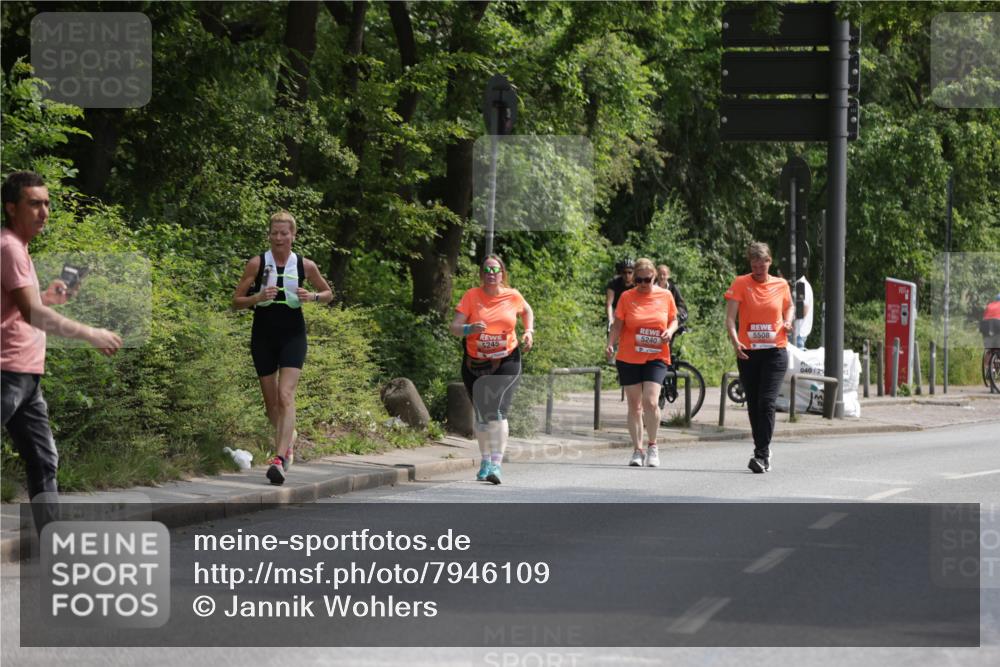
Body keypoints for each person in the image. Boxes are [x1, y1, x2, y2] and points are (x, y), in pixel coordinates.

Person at [1, 171, 122, 503]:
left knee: (43, 461)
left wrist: (48, 299)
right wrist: (90, 333)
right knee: (42, 462)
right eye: (34, 203)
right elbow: (31, 314)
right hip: (7, 373)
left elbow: (21, 308)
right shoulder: (9, 247)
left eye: (47, 204)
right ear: (12, 208)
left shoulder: (18, 249)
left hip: (25, 376)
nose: (44, 212)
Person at [232, 211, 332, 486]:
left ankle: (279, 459)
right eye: (274, 233)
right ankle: (289, 439)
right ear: (269, 235)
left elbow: (328, 293)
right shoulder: (256, 263)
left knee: (285, 394)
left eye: (284, 233)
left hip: (292, 335)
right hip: (263, 334)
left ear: (293, 235)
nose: (279, 237)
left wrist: (311, 296)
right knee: (271, 404)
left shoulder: (305, 265)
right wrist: (257, 297)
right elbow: (236, 301)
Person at [450, 255, 534, 485]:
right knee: (482, 414)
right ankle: (486, 460)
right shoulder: (471, 296)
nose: (491, 273)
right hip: (475, 364)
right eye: (487, 270)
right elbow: (454, 327)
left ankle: (497, 463)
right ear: (481, 274)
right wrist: (469, 328)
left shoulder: (513, 295)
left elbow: (527, 311)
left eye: (495, 270)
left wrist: (529, 332)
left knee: (496, 411)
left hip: (507, 359)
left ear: (502, 274)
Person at [724, 242, 793, 474]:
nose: (758, 270)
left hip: (775, 352)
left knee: (766, 402)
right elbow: (730, 319)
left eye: (761, 265)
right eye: (753, 266)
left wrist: (788, 321)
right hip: (748, 352)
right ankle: (762, 448)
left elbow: (789, 307)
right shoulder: (741, 283)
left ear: (769, 262)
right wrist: (735, 342)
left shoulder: (781, 284)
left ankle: (761, 455)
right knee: (753, 405)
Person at [606, 258, 678, 467]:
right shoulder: (627, 297)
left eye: (647, 279)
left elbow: (674, 319)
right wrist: (610, 344)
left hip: (656, 355)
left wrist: (670, 331)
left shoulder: (665, 295)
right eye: (639, 280)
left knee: (651, 401)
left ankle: (653, 445)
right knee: (634, 406)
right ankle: (637, 450)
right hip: (629, 356)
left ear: (654, 276)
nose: (643, 284)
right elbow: (617, 325)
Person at [605, 257, 635, 334]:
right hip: (617, 311)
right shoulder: (614, 282)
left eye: (630, 272)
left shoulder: (638, 284)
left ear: (634, 273)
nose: (627, 275)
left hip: (632, 311)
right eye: (624, 272)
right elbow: (609, 304)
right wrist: (610, 319)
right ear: (621, 273)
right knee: (613, 331)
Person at [656, 264, 688, 329]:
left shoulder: (673, 288)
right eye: (660, 274)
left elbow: (681, 306)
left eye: (664, 274)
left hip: (669, 322)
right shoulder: (651, 287)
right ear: (656, 275)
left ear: (668, 276)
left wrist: (675, 315)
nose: (662, 277)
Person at [792, 275, 814, 348]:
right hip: (797, 333)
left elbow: (802, 311)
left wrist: (787, 319)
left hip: (798, 334)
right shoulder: (798, 284)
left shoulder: (801, 285)